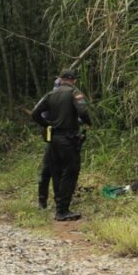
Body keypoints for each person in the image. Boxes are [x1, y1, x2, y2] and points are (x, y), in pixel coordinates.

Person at [30, 69, 92, 221]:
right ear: (74, 80)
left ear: (60, 79)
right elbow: (83, 110)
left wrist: (47, 124)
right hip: (68, 138)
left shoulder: (51, 94)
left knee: (56, 171)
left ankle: (58, 206)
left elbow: (34, 113)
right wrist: (88, 122)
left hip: (53, 139)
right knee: (71, 171)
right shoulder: (74, 93)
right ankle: (62, 210)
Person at [36, 78, 61, 209]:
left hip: (62, 139)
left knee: (57, 172)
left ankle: (57, 201)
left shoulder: (69, 98)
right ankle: (43, 200)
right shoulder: (50, 99)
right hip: (53, 139)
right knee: (47, 171)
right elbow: (41, 115)